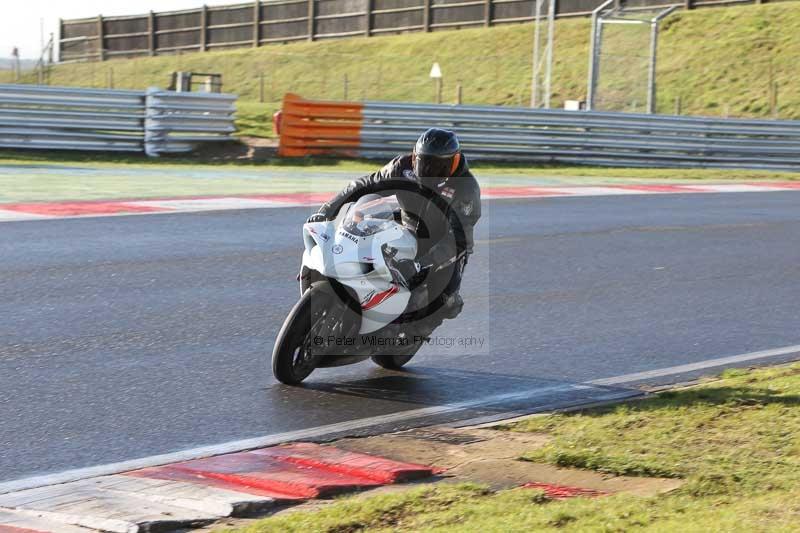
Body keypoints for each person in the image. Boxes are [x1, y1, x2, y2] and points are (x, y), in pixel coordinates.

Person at [306, 128, 481, 337]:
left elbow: (459, 238)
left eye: (439, 165)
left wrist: (424, 262)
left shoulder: (466, 188)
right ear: (415, 156)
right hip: (406, 226)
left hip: (443, 243)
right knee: (361, 237)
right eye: (425, 162)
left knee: (445, 298)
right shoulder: (402, 166)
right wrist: (327, 210)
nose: (430, 169)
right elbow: (365, 184)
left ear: (454, 162)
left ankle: (415, 332)